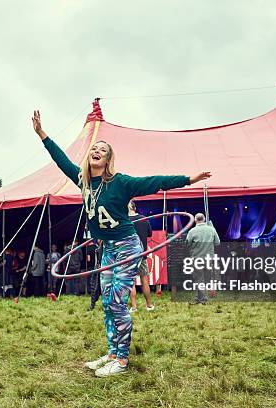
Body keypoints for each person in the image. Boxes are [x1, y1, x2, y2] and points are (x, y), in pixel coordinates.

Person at [33, 110, 210, 377]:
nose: (97, 150)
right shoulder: (82, 181)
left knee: (117, 302)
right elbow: (61, 160)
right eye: (94, 147)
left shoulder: (120, 183)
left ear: (107, 159)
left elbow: (154, 182)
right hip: (106, 250)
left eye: (102, 149)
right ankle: (113, 352)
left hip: (127, 246)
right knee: (107, 301)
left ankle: (123, 360)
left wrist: (188, 180)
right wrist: (42, 135)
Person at [185, 213, 220, 305]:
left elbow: (187, 244)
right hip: (209, 258)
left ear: (195, 220)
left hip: (197, 258)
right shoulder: (212, 230)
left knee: (199, 279)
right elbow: (217, 243)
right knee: (206, 278)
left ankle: (202, 299)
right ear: (204, 219)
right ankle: (198, 298)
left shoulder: (192, 231)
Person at [128, 200, 154, 312]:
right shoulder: (143, 219)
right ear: (134, 208)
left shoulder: (125, 220)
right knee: (144, 279)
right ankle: (149, 305)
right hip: (142, 254)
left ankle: (134, 307)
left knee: (130, 281)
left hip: (129, 255)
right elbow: (149, 233)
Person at [88, 240, 103, 310]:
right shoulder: (97, 249)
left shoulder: (108, 249)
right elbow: (96, 261)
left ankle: (108, 306)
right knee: (94, 287)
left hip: (105, 271)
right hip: (97, 270)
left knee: (105, 288)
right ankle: (92, 304)